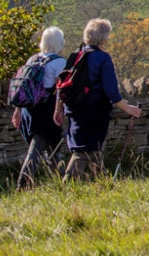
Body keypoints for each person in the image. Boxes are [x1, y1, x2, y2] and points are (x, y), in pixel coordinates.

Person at [54, 18, 142, 180]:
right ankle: (68, 183)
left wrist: (58, 109)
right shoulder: (103, 58)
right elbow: (112, 92)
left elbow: (62, 84)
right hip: (94, 110)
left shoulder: (75, 55)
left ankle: (102, 182)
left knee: (91, 146)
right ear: (104, 37)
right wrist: (129, 108)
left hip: (73, 109)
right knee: (84, 149)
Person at [11, 26, 68, 189]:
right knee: (36, 150)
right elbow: (61, 89)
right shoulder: (59, 63)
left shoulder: (32, 59)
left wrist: (17, 112)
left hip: (30, 111)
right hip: (47, 111)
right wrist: (60, 109)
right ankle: (22, 185)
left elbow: (22, 89)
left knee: (51, 147)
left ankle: (63, 181)